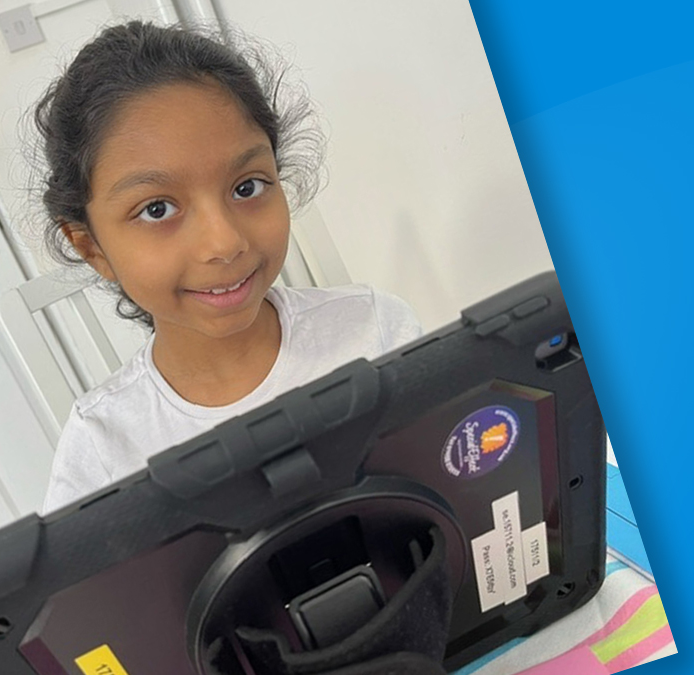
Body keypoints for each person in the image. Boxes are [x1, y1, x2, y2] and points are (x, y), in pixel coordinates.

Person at [34, 21, 424, 514]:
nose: (225, 242)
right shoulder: (104, 447)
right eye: (157, 209)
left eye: (248, 187)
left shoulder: (373, 330)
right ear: (91, 247)